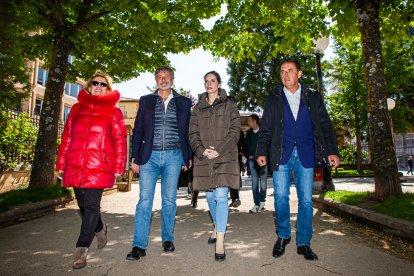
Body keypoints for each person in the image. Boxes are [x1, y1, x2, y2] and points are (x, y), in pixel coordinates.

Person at [256, 59, 340, 261]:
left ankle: (304, 242)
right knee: (281, 198)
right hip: (281, 154)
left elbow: (325, 125)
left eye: (290, 70)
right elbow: (266, 128)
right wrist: (260, 151)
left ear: (299, 73)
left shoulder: (312, 97)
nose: (286, 74)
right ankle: (283, 236)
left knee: (306, 200)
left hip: (306, 153)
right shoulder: (274, 98)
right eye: (282, 71)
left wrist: (332, 151)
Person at [56, 71, 127, 269]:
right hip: (76, 165)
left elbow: (120, 140)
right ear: (88, 86)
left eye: (103, 84)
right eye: (95, 83)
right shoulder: (77, 109)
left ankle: (81, 250)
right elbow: (67, 137)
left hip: (99, 165)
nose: (98, 86)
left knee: (92, 206)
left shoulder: (114, 112)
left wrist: (118, 165)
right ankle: (99, 227)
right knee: (83, 205)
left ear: (108, 89)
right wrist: (60, 164)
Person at [127, 66, 192, 261]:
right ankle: (139, 245)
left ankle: (168, 239)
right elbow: (138, 130)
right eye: (160, 76)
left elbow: (188, 132)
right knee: (144, 201)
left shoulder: (184, 102)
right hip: (149, 157)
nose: (163, 79)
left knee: (170, 200)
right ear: (156, 80)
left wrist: (186, 156)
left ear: (173, 79)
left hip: (174, 156)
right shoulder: (146, 100)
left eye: (167, 76)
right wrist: (135, 157)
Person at [189, 71, 240, 261]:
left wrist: (219, 149)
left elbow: (235, 131)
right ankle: (216, 225)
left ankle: (220, 240)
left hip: (225, 155)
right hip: (204, 157)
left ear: (219, 84)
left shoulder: (230, 104)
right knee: (210, 197)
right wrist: (202, 151)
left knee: (220, 195)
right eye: (206, 81)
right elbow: (192, 134)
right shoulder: (197, 108)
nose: (209, 84)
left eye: (213, 81)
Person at [246, 114, 268, 213]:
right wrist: (249, 154)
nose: (248, 122)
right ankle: (256, 204)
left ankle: (262, 201)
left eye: (249, 120)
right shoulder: (249, 133)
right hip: (252, 161)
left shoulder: (264, 132)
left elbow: (268, 145)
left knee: (263, 183)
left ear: (255, 121)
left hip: (263, 161)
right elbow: (245, 146)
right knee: (255, 183)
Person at [229, 130, 246, 208]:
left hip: (236, 158)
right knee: (231, 179)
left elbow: (243, 143)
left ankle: (235, 198)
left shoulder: (240, 132)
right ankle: (234, 199)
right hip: (228, 158)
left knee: (235, 178)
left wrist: (241, 151)